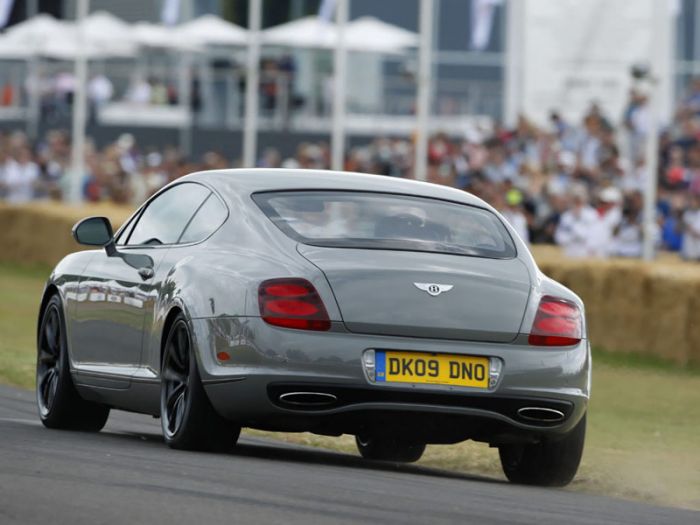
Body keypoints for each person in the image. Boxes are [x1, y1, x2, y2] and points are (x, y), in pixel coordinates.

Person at [554, 185, 601, 257]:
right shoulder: (566, 216)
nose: (577, 202)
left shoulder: (592, 215)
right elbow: (559, 236)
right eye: (575, 199)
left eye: (579, 199)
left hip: (586, 254)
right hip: (569, 253)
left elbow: (596, 236)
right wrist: (571, 238)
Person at [681, 193, 700, 260]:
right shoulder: (687, 214)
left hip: (698, 251)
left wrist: (692, 230)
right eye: (691, 201)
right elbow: (678, 229)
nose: (692, 203)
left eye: (694, 201)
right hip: (688, 250)